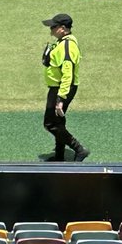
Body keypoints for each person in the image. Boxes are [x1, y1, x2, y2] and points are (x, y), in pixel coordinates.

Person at [39, 13, 90, 162]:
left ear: (62, 28)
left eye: (53, 27)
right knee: (58, 122)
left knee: (51, 124)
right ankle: (60, 156)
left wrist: (61, 98)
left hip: (61, 89)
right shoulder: (62, 42)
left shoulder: (67, 45)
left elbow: (68, 73)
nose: (50, 29)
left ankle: (79, 149)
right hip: (58, 88)